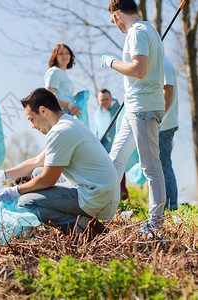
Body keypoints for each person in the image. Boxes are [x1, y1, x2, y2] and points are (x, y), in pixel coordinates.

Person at [0, 88, 119, 238]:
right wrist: (1, 175)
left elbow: (48, 180)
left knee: (26, 202)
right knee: (37, 171)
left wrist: (15, 191)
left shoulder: (60, 132)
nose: (32, 125)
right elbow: (37, 161)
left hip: (96, 196)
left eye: (31, 119)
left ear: (43, 111)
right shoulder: (68, 122)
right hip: (102, 191)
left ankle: (86, 230)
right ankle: (81, 221)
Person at [101, 0, 166, 233]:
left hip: (144, 108)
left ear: (118, 14)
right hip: (134, 107)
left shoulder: (136, 32)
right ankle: (101, 210)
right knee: (115, 160)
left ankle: (155, 224)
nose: (115, 24)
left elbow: (139, 70)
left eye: (112, 20)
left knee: (150, 167)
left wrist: (111, 62)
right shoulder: (150, 30)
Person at [94, 89, 130, 200]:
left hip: (116, 147)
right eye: (102, 100)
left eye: (107, 99)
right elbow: (97, 130)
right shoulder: (97, 114)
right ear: (98, 100)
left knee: (119, 175)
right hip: (104, 150)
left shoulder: (116, 108)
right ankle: (108, 199)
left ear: (111, 98)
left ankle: (124, 198)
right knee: (106, 176)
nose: (105, 101)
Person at [159, 57, 179, 210]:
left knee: (164, 164)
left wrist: (158, 119)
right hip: (163, 124)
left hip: (164, 125)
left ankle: (171, 206)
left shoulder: (163, 64)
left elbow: (168, 91)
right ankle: (165, 205)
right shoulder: (159, 64)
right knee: (161, 165)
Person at [44, 44, 81, 116]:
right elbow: (48, 97)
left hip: (68, 114)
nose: (65, 56)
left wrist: (75, 97)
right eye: (61, 54)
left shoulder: (62, 73)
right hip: (59, 115)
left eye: (67, 53)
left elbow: (63, 96)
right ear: (55, 57)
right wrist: (69, 105)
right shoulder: (54, 72)